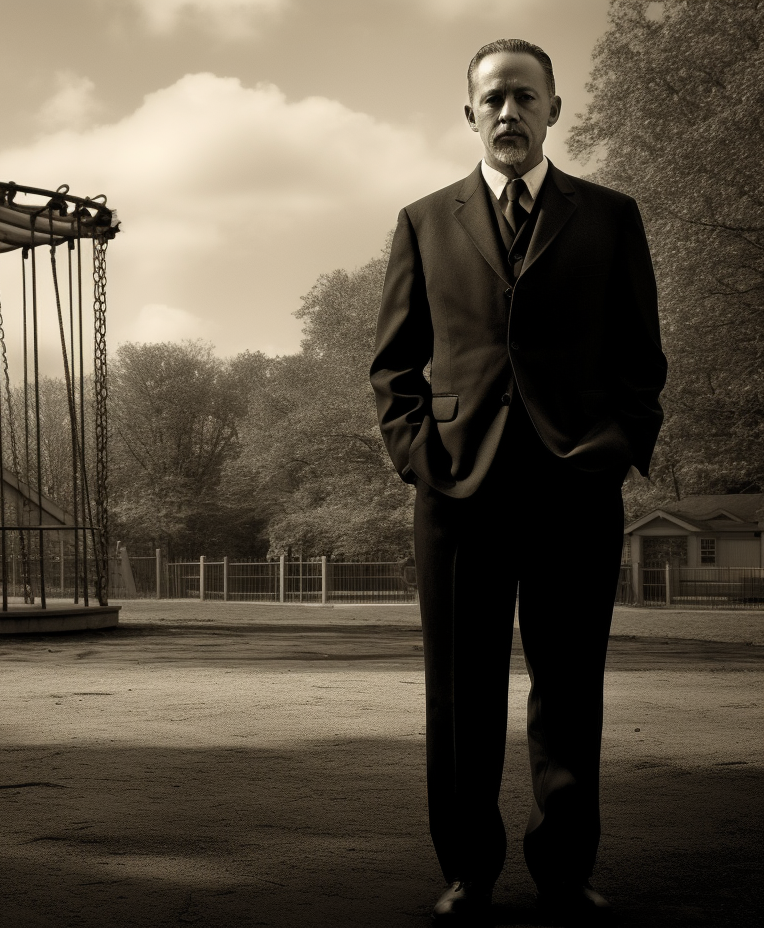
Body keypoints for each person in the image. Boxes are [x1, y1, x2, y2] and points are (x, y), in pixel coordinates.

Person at [370, 39, 667, 925]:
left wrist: (615, 446)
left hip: (577, 489)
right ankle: (467, 871)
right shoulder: (423, 221)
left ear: (553, 110)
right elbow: (393, 369)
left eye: (525, 98)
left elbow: (640, 358)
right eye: (493, 98)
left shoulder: (612, 217)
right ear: (470, 114)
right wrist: (421, 457)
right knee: (459, 694)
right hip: (457, 497)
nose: (510, 112)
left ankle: (565, 869)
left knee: (571, 688)